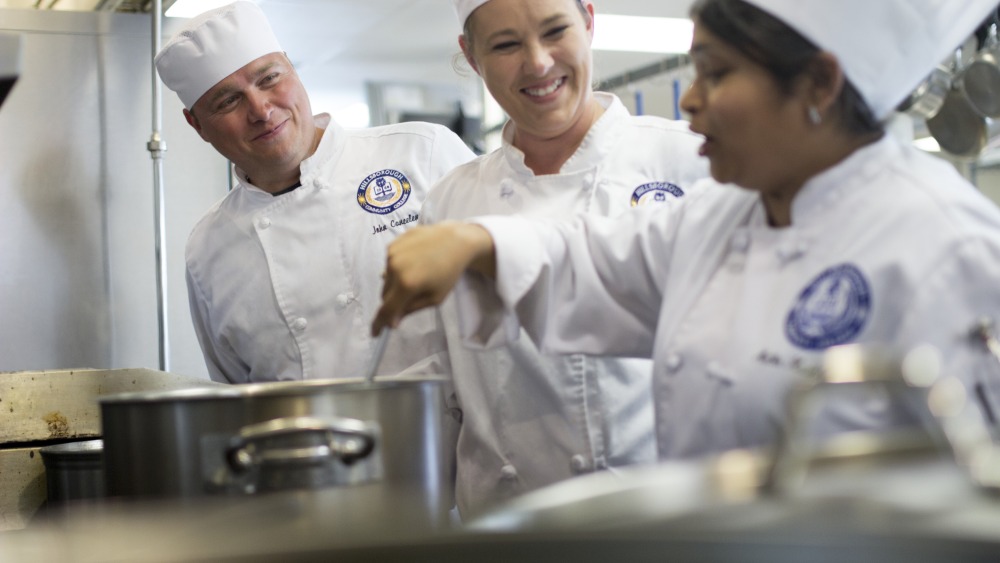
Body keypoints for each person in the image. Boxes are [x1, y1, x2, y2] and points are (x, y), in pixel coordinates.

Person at [374, 0, 1000, 462]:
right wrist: (475, 240)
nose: (691, 101)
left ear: (818, 84)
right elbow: (588, 261)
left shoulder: (948, 247)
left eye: (716, 73)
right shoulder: (723, 215)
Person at [422, 0, 708, 517]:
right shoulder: (448, 203)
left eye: (555, 31)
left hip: (670, 517)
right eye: (506, 45)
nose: (537, 63)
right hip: (507, 522)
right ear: (471, 55)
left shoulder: (690, 159)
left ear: (590, 22)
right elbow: (440, 383)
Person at [154, 1, 475, 383]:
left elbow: (511, 296)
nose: (261, 110)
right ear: (197, 125)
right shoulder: (208, 250)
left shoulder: (423, 152)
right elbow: (236, 398)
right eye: (228, 101)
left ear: (292, 68)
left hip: (450, 436)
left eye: (270, 78)